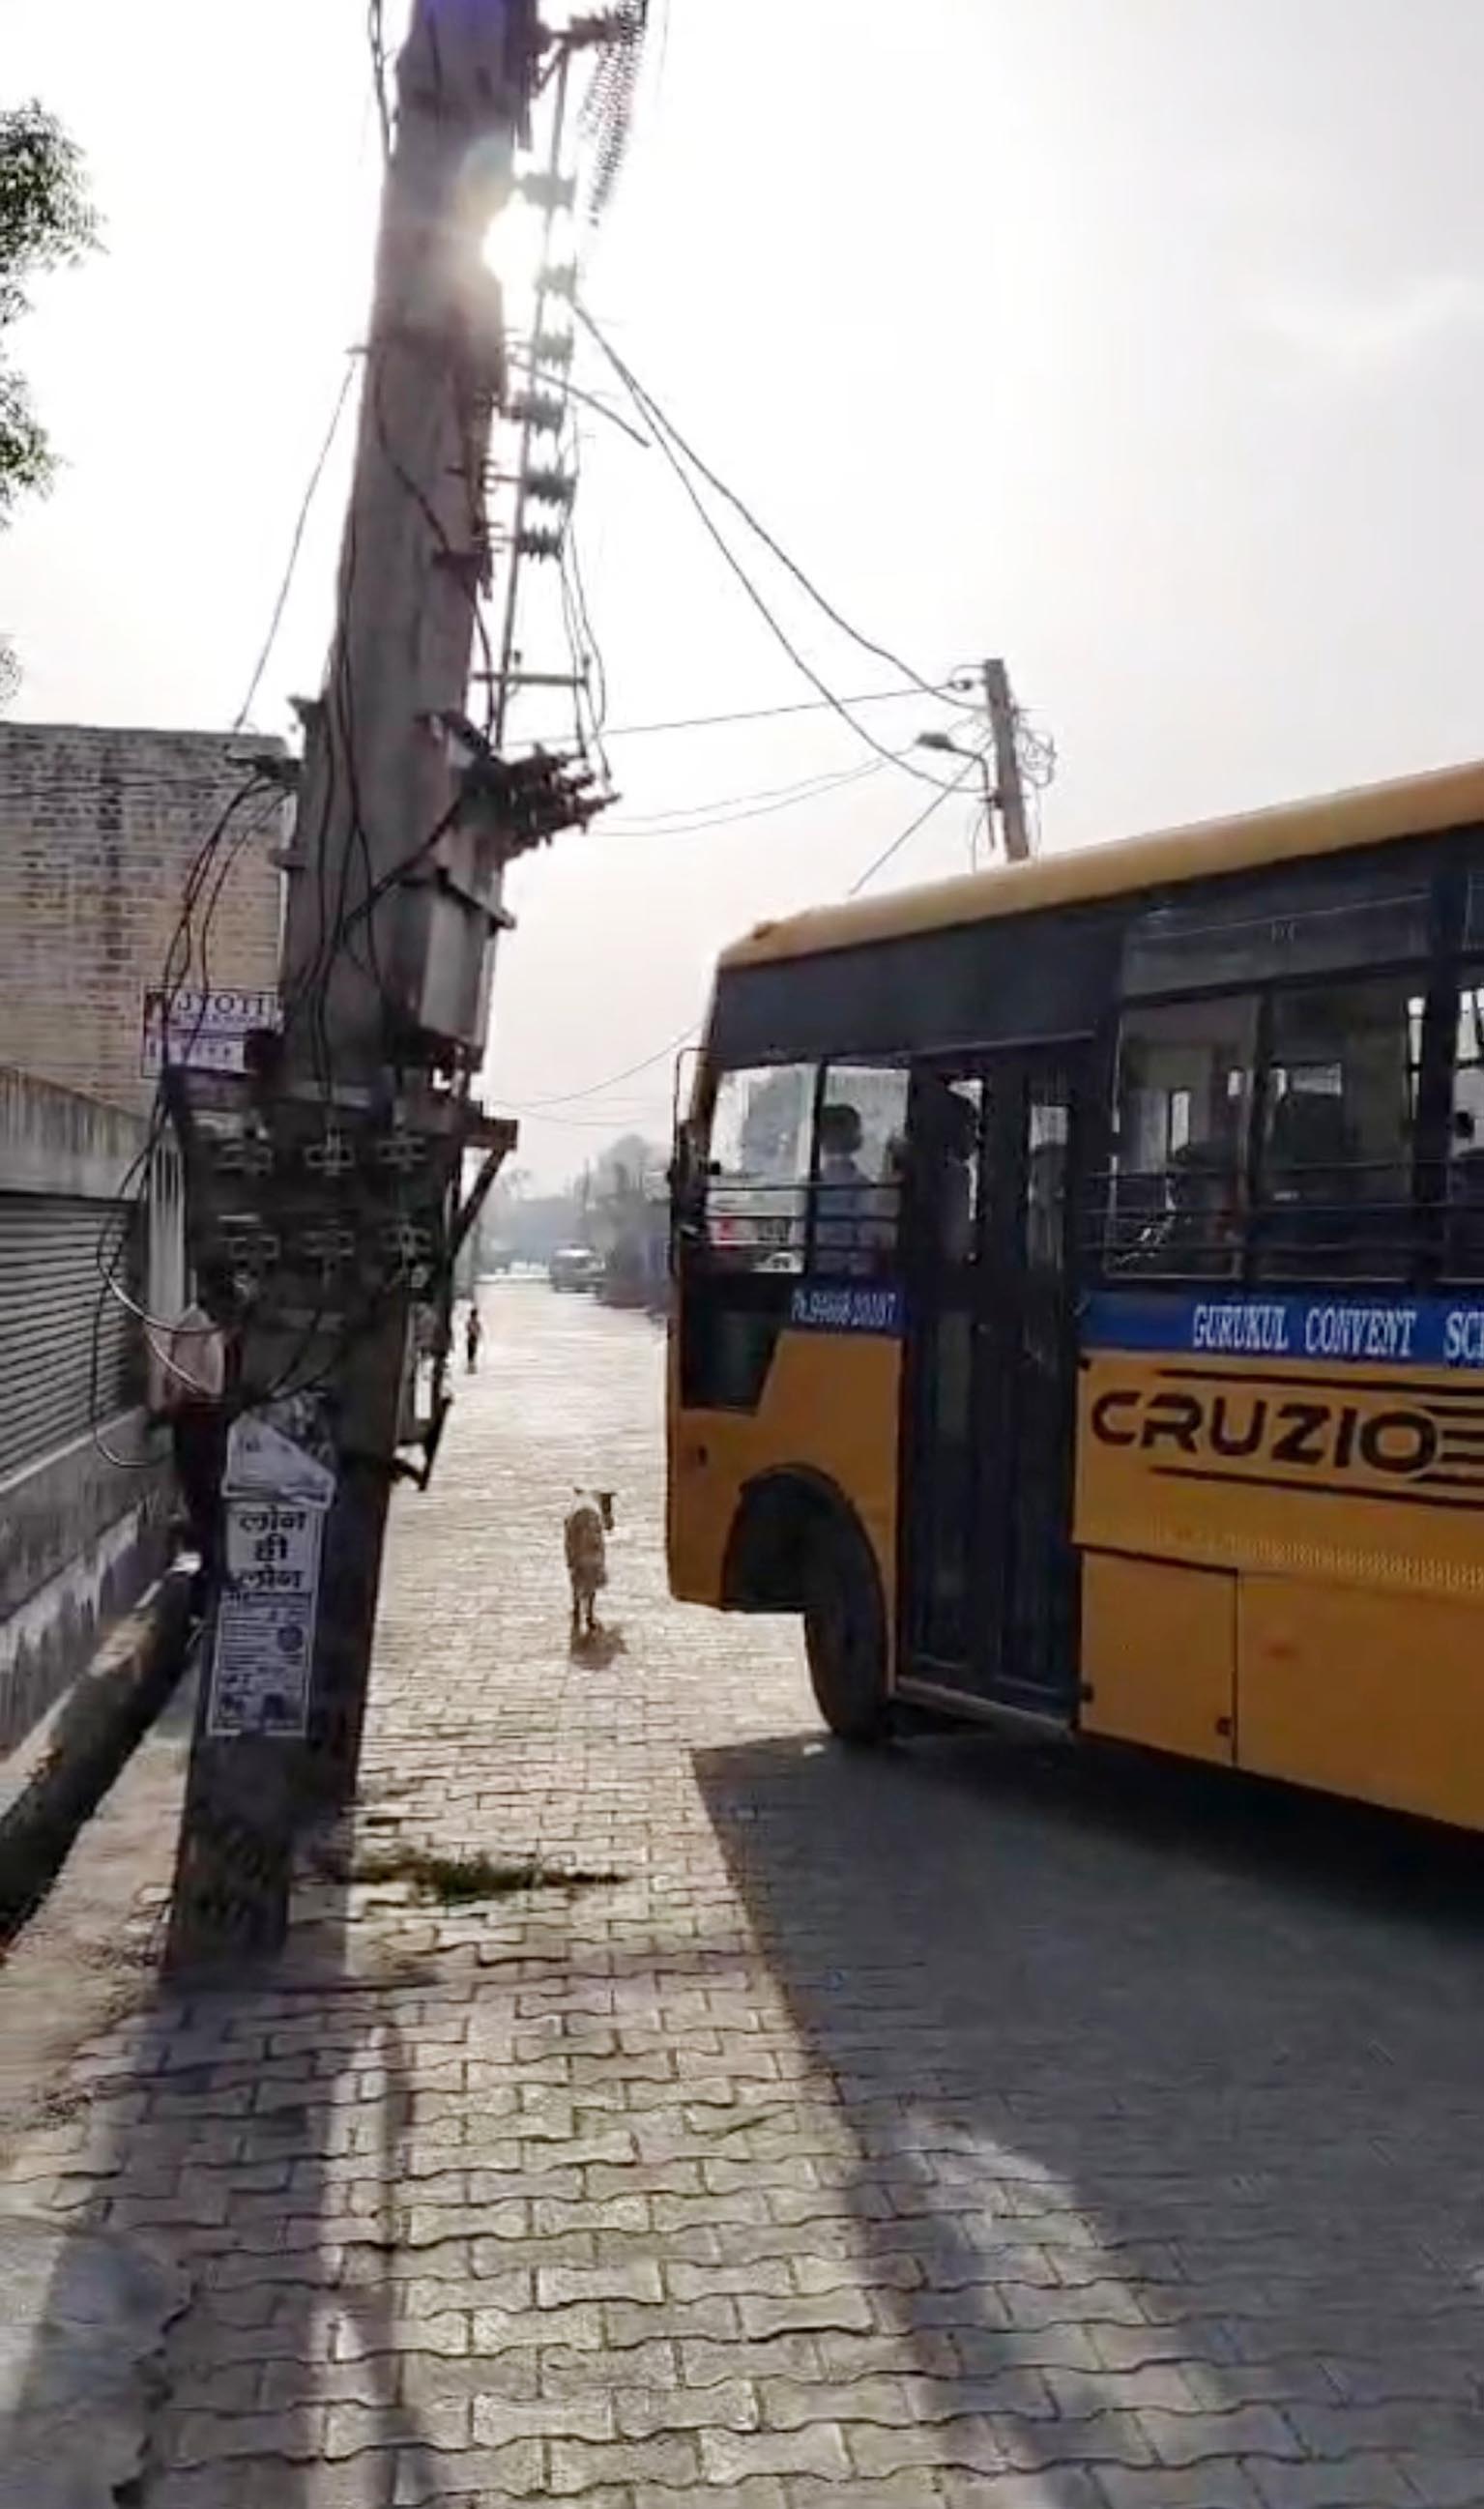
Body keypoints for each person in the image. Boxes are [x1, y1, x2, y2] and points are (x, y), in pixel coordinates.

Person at [151, 1263, 234, 1590]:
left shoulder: (211, 1328)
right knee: (202, 1496)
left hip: (209, 1418)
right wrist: (168, 1413)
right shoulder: (194, 1326)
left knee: (211, 1497)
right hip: (195, 1419)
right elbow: (181, 1379)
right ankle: (209, 1569)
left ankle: (214, 1566)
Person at [465, 1301, 483, 1375]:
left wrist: (475, 1333)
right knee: (471, 1353)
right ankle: (471, 1367)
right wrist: (476, 1333)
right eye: (476, 1314)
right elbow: (478, 1330)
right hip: (472, 1338)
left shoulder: (471, 1322)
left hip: (472, 1338)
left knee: (471, 1353)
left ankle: (471, 1366)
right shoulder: (474, 1322)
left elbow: (468, 1329)